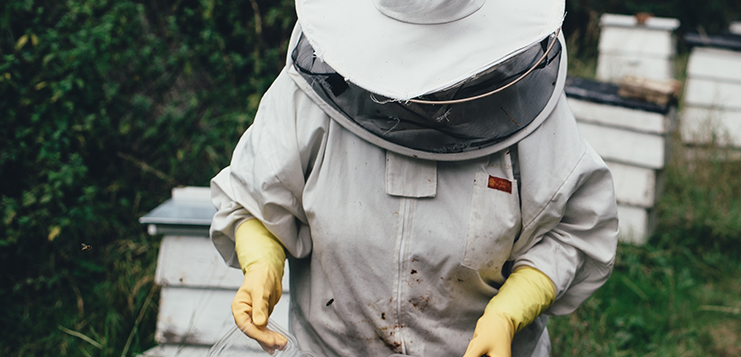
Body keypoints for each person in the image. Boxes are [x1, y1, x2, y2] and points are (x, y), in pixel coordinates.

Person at [208, 0, 619, 356]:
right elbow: (254, 199)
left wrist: (509, 312)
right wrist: (262, 262)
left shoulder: (526, 109)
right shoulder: (307, 99)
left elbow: (572, 229)